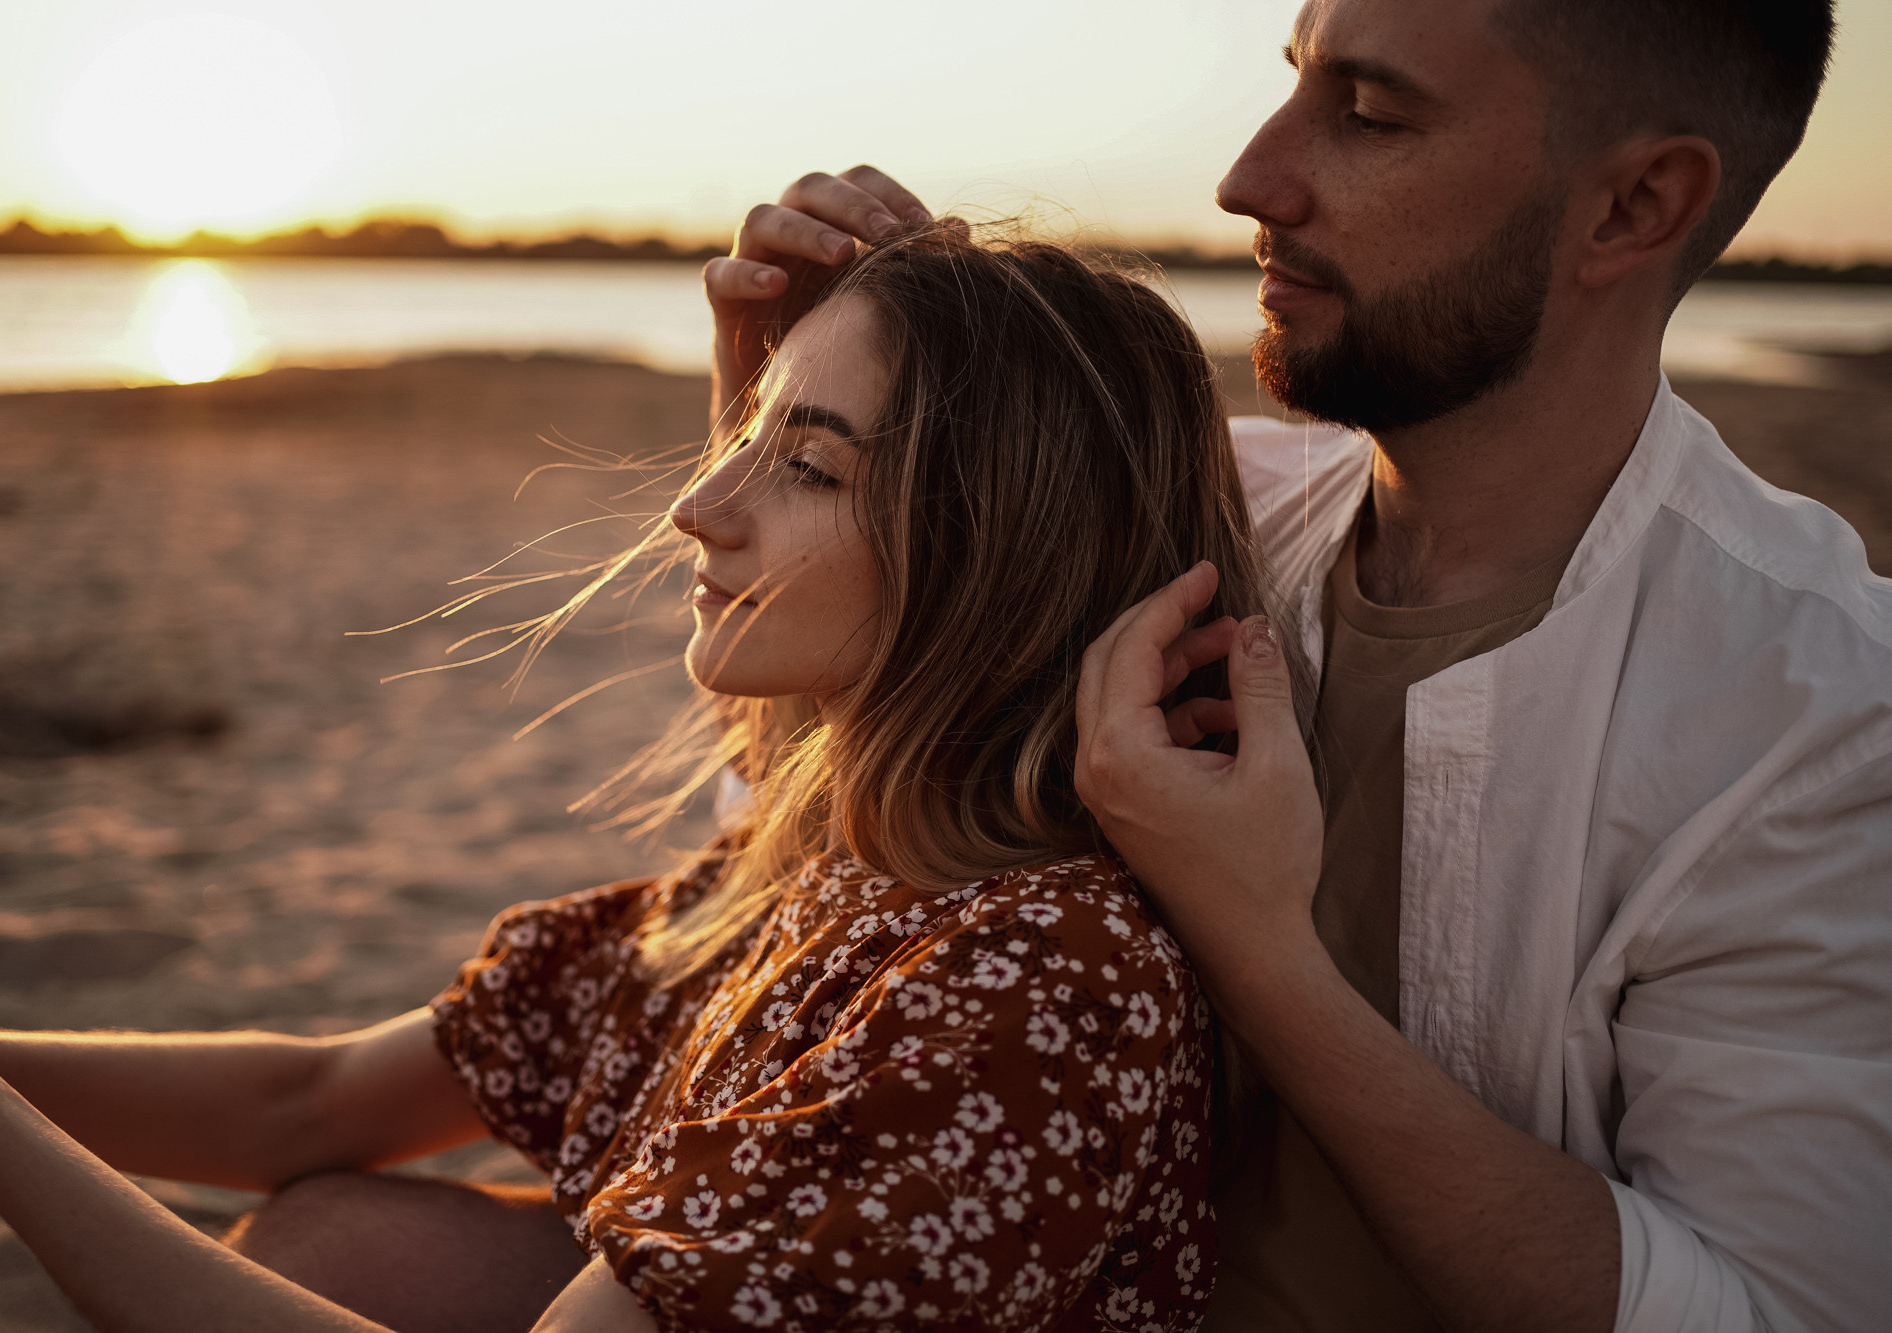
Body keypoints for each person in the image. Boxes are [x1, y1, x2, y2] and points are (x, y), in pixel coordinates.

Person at [717, 2, 1891, 1331]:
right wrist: (803, 412)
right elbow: (804, 831)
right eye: (1292, 83)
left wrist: (1260, 946)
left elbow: (1759, 1308)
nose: (1250, 179)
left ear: (1631, 206)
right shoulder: (1200, 497)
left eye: (1371, 114)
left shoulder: (1821, 717)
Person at [0, 227, 1285, 1331]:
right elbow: (308, 1102)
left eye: (801, 462)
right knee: (341, 1224)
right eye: (747, 430)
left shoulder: (1037, 979)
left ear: (997, 556)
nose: (702, 502)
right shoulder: (814, 882)